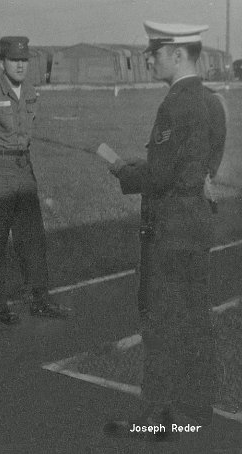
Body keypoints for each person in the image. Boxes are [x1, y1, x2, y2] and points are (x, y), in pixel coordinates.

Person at [103, 21, 225, 441]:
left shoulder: (175, 104)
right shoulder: (211, 101)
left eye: (155, 51)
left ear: (176, 54)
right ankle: (197, 411)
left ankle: (155, 419)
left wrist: (122, 169)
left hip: (170, 228)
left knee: (159, 322)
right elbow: (210, 162)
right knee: (195, 319)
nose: (149, 58)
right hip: (197, 222)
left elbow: (158, 174)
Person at [0, 36, 69, 325]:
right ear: (3, 62)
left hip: (23, 165)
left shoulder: (31, 92)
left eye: (24, 60)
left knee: (32, 236)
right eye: (14, 60)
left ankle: (39, 298)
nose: (20, 65)